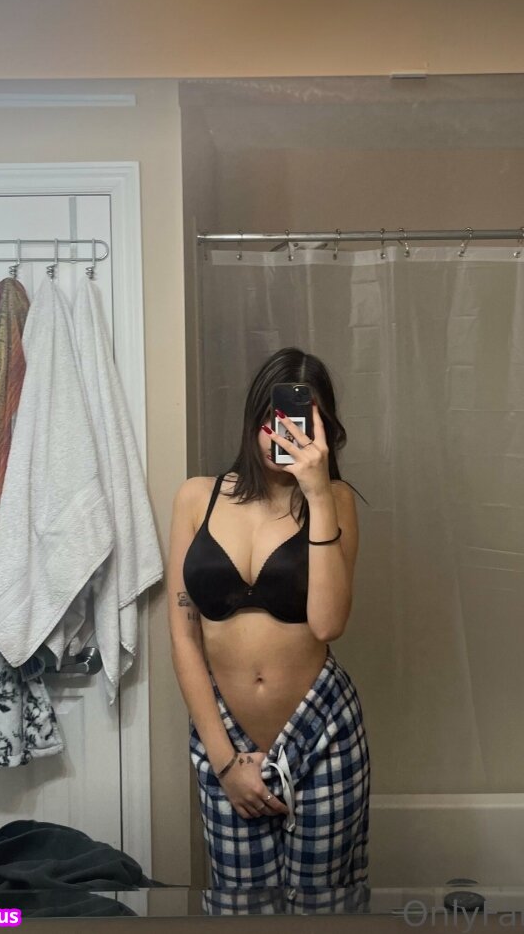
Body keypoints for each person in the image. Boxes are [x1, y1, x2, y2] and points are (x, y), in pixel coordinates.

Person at [167, 347, 369, 913]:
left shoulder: (336, 501)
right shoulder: (196, 497)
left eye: (303, 422)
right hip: (226, 736)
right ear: (255, 419)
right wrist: (224, 761)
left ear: (324, 431)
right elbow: (183, 634)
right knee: (240, 908)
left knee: (325, 908)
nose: (284, 435)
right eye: (274, 420)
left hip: (323, 732)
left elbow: (329, 623)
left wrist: (317, 492)